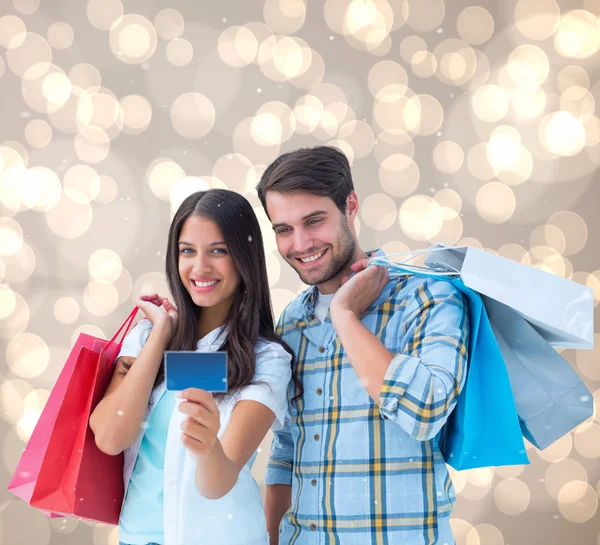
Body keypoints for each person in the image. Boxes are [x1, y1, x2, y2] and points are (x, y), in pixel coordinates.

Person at [256, 146, 470, 545]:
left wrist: (345, 315)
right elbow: (285, 452)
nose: (300, 243)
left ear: (350, 205)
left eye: (313, 221)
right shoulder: (291, 321)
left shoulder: (427, 297)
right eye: (283, 229)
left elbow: (425, 412)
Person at [90, 189, 296, 545]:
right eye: (188, 251)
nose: (200, 267)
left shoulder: (266, 359)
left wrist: (207, 447)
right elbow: (110, 438)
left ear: (244, 258)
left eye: (218, 251)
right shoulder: (146, 338)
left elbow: (218, 481)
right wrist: (159, 335)